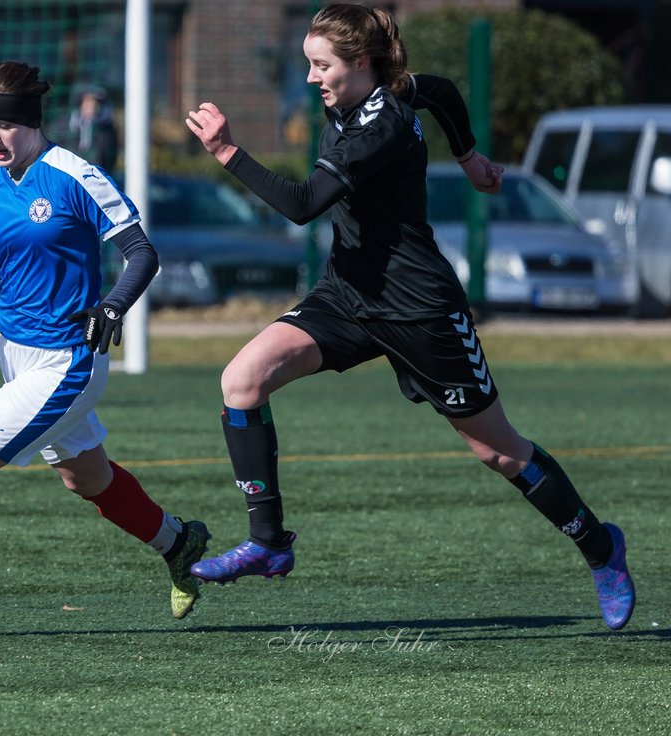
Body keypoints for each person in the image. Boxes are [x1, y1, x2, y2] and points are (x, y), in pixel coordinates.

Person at [184, 3, 635, 630]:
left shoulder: (382, 123)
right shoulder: (386, 90)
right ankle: (268, 543)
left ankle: (601, 547)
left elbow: (303, 204)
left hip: (420, 309)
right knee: (242, 380)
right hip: (347, 294)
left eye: (322, 66)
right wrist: (472, 157)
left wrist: (229, 151)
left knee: (498, 452)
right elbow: (443, 91)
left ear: (360, 63)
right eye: (309, 64)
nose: (312, 77)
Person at [0, 60, 210, 619]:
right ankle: (180, 543)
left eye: (4, 126)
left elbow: (142, 253)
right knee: (87, 478)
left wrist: (112, 305)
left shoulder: (75, 175)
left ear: (31, 120)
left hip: (67, 361)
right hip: (15, 358)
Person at [59, 83, 119, 174]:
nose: (92, 106)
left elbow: (109, 158)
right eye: (88, 101)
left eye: (96, 102)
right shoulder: (64, 124)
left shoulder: (106, 130)